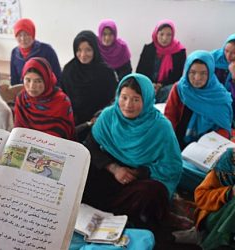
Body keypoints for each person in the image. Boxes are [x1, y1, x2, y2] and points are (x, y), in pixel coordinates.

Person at [81, 73, 182, 234]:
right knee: (82, 174)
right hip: (110, 172)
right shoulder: (109, 116)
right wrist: (114, 168)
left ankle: (120, 216)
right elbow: (90, 146)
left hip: (138, 180)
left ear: (147, 100)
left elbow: (171, 166)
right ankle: (119, 215)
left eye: (136, 99)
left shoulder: (161, 127)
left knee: (153, 193)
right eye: (124, 97)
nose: (128, 105)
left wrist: (139, 172)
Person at [165, 50, 233, 150]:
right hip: (178, 143)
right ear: (187, 71)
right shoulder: (180, 88)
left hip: (209, 148)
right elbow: (170, 117)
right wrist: (169, 143)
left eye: (203, 73)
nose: (197, 78)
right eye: (192, 72)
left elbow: (225, 128)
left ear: (210, 73)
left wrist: (209, 144)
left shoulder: (220, 97)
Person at [61, 30, 117, 141]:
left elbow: (114, 100)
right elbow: (62, 97)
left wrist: (99, 116)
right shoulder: (68, 71)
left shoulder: (107, 73)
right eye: (79, 50)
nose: (83, 55)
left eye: (88, 50)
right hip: (74, 123)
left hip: (100, 123)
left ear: (95, 50)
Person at [14, 57, 75, 140]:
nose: (32, 87)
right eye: (28, 80)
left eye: (38, 81)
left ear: (47, 80)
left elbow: (65, 133)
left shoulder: (62, 101)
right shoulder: (21, 99)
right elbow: (18, 130)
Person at [194, 148, 235, 250]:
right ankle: (216, 243)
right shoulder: (230, 159)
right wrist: (229, 193)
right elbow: (201, 196)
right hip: (216, 217)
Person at [136, 20, 186, 103]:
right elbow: (140, 71)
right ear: (156, 34)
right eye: (161, 34)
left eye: (168, 35)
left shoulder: (179, 51)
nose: (164, 38)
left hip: (166, 86)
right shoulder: (148, 49)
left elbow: (177, 75)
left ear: (173, 35)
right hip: (148, 84)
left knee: (177, 89)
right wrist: (150, 84)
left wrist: (160, 85)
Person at [10, 18, 61, 86]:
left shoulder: (47, 50)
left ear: (33, 34)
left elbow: (57, 76)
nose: (23, 38)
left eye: (27, 34)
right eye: (19, 35)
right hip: (24, 93)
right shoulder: (14, 53)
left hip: (45, 92)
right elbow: (14, 80)